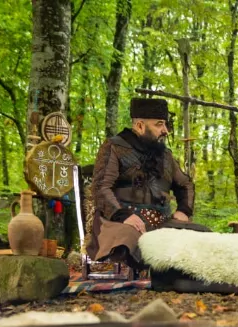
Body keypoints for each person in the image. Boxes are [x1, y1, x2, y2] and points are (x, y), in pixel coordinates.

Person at [86, 97, 210, 268]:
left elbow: (185, 184)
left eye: (165, 124)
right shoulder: (114, 147)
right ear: (139, 126)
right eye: (159, 124)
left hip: (162, 224)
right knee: (128, 241)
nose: (165, 130)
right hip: (120, 222)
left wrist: (184, 210)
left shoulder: (165, 155)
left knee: (204, 234)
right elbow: (101, 187)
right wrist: (124, 216)